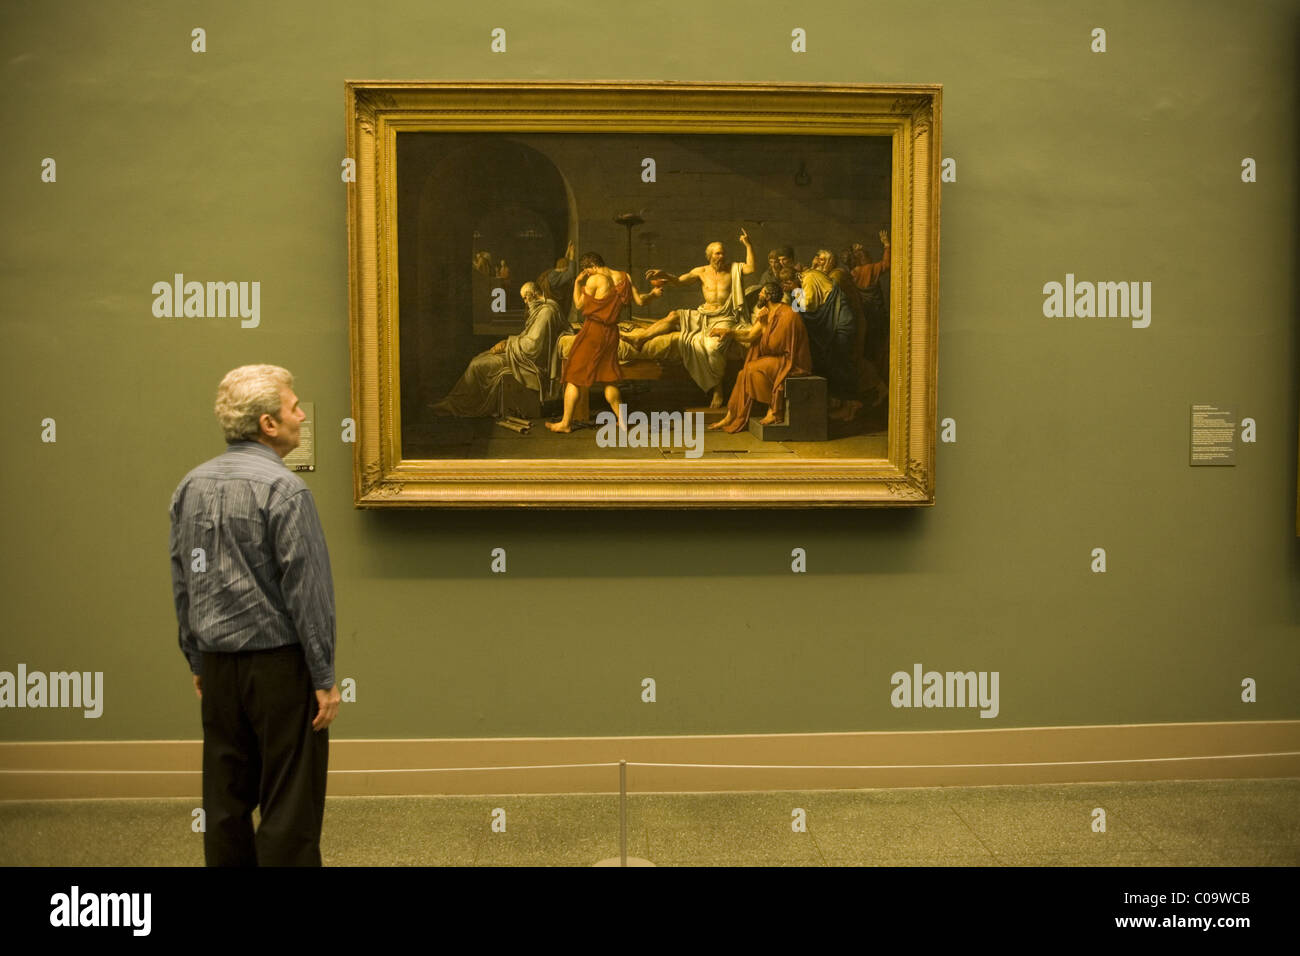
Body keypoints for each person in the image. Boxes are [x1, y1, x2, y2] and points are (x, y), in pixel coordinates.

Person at [169, 364, 339, 866]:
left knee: (225, 801)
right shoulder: (285, 492)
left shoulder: (190, 487)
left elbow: (184, 581)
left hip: (218, 667)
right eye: (293, 407)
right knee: (289, 805)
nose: (301, 415)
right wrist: (324, 676)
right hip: (280, 669)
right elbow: (308, 593)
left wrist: (196, 660)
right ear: (268, 424)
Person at [625, 230, 756, 407]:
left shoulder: (733, 268)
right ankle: (640, 339)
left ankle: (717, 390)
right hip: (704, 314)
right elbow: (680, 281)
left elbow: (751, 267)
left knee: (712, 347)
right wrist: (664, 274)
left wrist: (748, 245)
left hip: (725, 317)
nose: (721, 256)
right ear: (710, 256)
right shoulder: (701, 271)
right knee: (674, 315)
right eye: (718, 253)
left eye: (723, 252)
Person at [547, 253, 661, 432]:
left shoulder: (595, 280)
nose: (587, 274)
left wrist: (578, 283)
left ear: (591, 267)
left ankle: (565, 423)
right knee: (609, 380)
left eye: (587, 271)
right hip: (611, 334)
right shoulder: (625, 277)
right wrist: (654, 294)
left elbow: (578, 305)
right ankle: (623, 421)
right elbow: (640, 301)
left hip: (593, 331)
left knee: (573, 377)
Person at [432, 282, 569, 417]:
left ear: (532, 294)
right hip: (521, 357)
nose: (526, 302)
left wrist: (507, 344)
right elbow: (529, 338)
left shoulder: (546, 312)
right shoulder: (545, 309)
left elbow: (532, 347)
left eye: (525, 298)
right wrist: (508, 343)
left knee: (477, 365)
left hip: (530, 363)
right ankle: (454, 401)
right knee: (480, 357)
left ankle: (458, 405)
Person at [708, 281, 812, 433]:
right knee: (742, 373)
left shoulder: (788, 315)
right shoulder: (766, 312)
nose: (759, 294)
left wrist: (764, 326)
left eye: (762, 292)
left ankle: (774, 410)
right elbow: (750, 335)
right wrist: (728, 332)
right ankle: (731, 415)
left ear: (769, 296)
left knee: (751, 368)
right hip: (776, 358)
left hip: (791, 361)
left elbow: (773, 347)